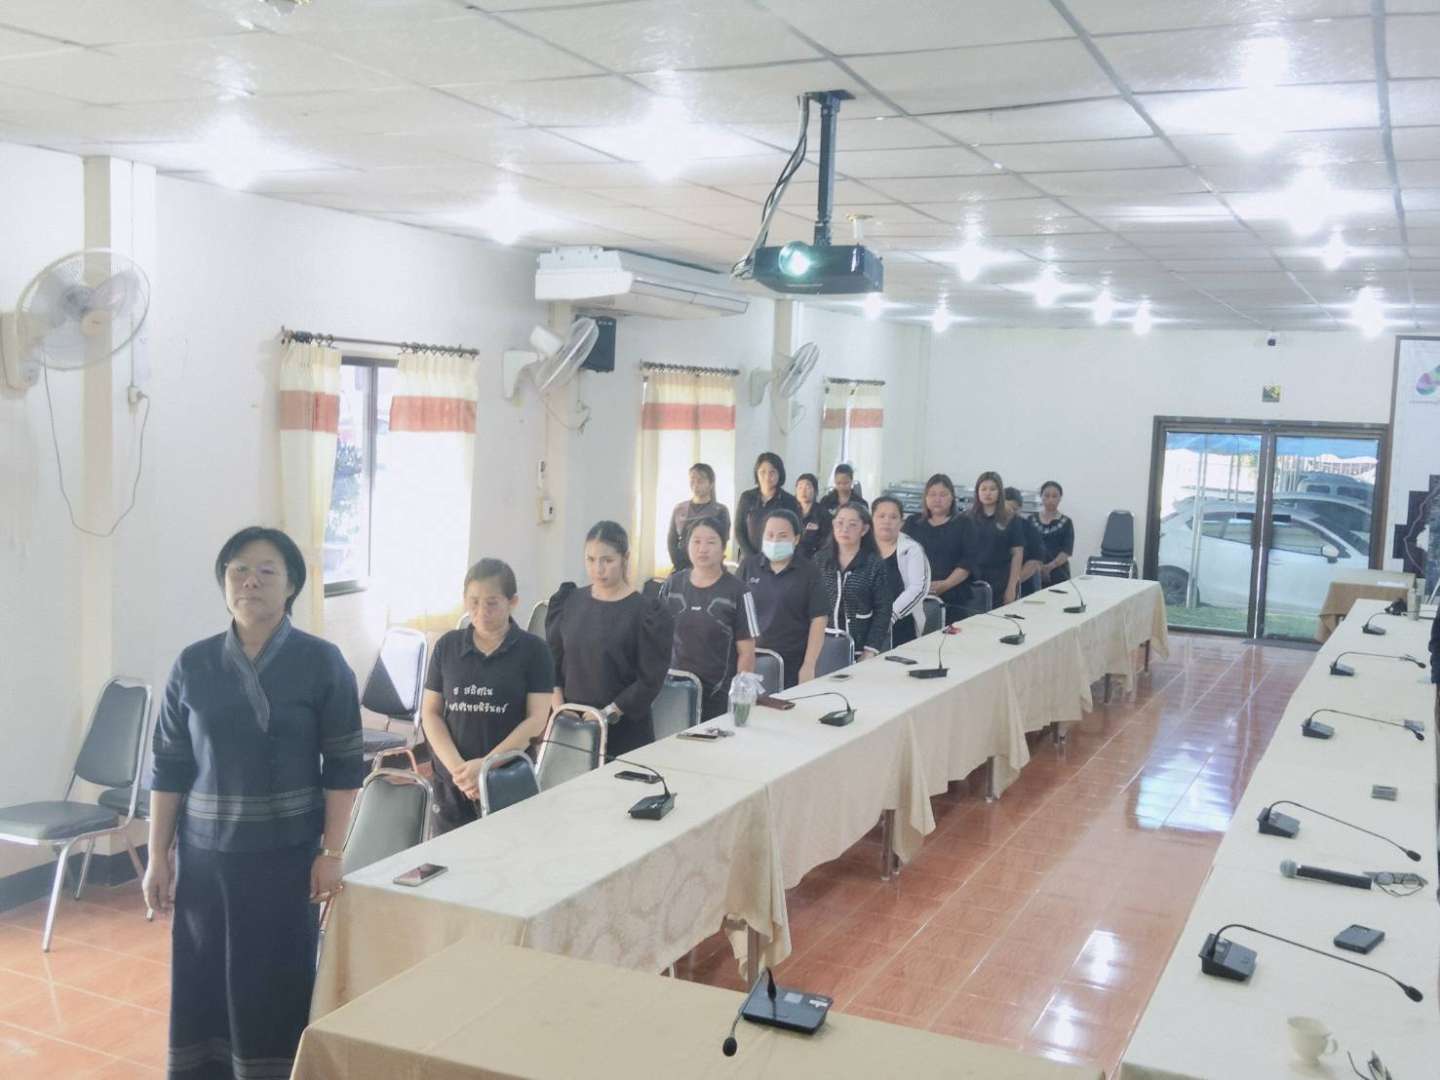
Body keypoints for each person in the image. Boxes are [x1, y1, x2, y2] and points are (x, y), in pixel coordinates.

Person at [145, 526, 363, 1080]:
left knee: (274, 977)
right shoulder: (192, 665)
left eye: (267, 571)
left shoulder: (322, 662)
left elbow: (343, 768)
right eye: (238, 570)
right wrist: (157, 856)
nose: (250, 581)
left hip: (285, 858)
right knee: (204, 976)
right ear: (224, 583)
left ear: (290, 585)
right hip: (205, 860)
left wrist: (332, 852)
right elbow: (169, 768)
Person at [421, 559, 555, 832]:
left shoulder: (534, 651)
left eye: (492, 603)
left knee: (508, 851)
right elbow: (431, 713)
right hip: (453, 782)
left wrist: (485, 767)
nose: (481, 611)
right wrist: (460, 771)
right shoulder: (447, 646)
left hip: (507, 777)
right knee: (450, 855)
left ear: (512, 601)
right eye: (473, 602)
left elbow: (537, 719)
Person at [547, 521, 674, 756]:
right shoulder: (569, 600)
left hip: (623, 729)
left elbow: (649, 680)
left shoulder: (647, 612)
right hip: (570, 726)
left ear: (625, 558)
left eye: (607, 560)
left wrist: (607, 713)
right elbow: (553, 662)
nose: (598, 569)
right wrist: (560, 709)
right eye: (591, 560)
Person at [660, 519, 759, 719]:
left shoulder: (739, 591)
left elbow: (747, 653)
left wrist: (740, 700)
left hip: (719, 695)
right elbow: (656, 637)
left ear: (723, 547)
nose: (703, 549)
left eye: (711, 542)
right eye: (696, 541)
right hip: (673, 693)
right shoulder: (672, 585)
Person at [739, 509, 829, 688]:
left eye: (782, 536)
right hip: (751, 658)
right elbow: (733, 611)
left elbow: (819, 619)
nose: (775, 541)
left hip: (793, 661)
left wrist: (809, 665)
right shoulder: (749, 566)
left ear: (796, 539)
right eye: (770, 535)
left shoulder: (809, 571)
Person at [814, 503, 894, 657]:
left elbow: (883, 611)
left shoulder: (874, 564)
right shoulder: (819, 560)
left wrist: (870, 650)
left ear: (864, 529)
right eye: (840, 523)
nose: (844, 529)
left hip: (860, 647)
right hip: (822, 645)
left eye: (852, 524)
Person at [903, 473, 974, 621]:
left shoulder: (964, 523)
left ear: (952, 497)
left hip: (953, 594)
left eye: (943, 494)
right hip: (914, 594)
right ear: (925, 497)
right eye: (932, 494)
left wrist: (945, 584)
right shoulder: (912, 523)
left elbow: (968, 562)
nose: (937, 499)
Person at [872, 494, 929, 646]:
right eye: (881, 516)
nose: (887, 521)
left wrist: (889, 616)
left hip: (900, 621)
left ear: (901, 522)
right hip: (863, 621)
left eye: (893, 517)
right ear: (872, 520)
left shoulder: (911, 549)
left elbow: (918, 588)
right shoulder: (861, 546)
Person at [969, 471, 1027, 606]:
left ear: (1000, 492)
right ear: (977, 492)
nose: (987, 493)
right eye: (983, 489)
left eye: (992, 489)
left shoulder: (1011, 518)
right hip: (972, 582)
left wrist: (1012, 587)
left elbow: (1017, 554)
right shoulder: (967, 518)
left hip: (1001, 582)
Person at [735, 451, 802, 560]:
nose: (767, 477)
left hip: (779, 560)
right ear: (756, 473)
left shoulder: (789, 501)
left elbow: (796, 532)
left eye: (772, 472)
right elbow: (739, 530)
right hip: (749, 558)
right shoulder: (747, 497)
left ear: (780, 474)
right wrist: (751, 557)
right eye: (763, 472)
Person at [666, 462, 731, 571]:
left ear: (711, 484)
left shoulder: (720, 510)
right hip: (682, 566)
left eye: (700, 481)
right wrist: (680, 565)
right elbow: (672, 540)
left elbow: (722, 541)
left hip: (710, 567)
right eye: (692, 480)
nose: (695, 484)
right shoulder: (680, 509)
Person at [1004, 486, 1046, 597]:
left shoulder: (1029, 528)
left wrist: (1013, 584)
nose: (1010, 512)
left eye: (1014, 509)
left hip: (1024, 584)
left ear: (1020, 508)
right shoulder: (992, 526)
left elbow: (1035, 561)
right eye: (1006, 508)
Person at [1033, 480, 1075, 585]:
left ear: (1060, 498)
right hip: (1033, 571)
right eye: (1046, 495)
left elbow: (1066, 551)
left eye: (1054, 496)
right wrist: (1038, 567)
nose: (1050, 500)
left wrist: (1048, 567)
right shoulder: (1031, 520)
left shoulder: (1067, 522)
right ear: (1041, 496)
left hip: (1059, 572)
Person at [793, 472, 832, 560]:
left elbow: (827, 541)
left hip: (816, 559)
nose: (803, 491)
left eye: (808, 487)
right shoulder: (791, 512)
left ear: (815, 491)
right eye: (800, 487)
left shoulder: (823, 513)